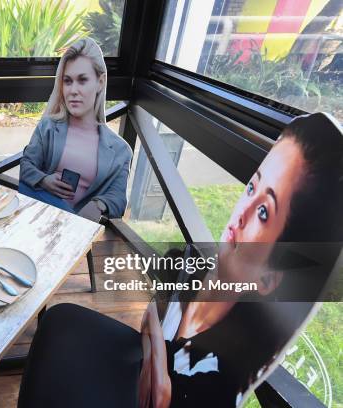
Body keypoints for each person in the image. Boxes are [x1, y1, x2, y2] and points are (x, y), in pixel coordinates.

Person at [18, 112, 343, 408]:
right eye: (252, 187)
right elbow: (150, 324)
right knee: (59, 320)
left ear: (272, 277)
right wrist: (155, 348)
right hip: (137, 361)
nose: (240, 213)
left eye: (263, 212)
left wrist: (158, 364)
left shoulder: (216, 379)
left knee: (59, 328)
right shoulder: (188, 270)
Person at [19, 38, 132, 220]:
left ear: (100, 82)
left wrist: (99, 204)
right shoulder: (47, 127)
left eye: (82, 80)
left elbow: (118, 199)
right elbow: (26, 165)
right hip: (36, 220)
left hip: (78, 231)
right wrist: (44, 180)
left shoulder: (120, 150)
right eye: (68, 81)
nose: (73, 90)